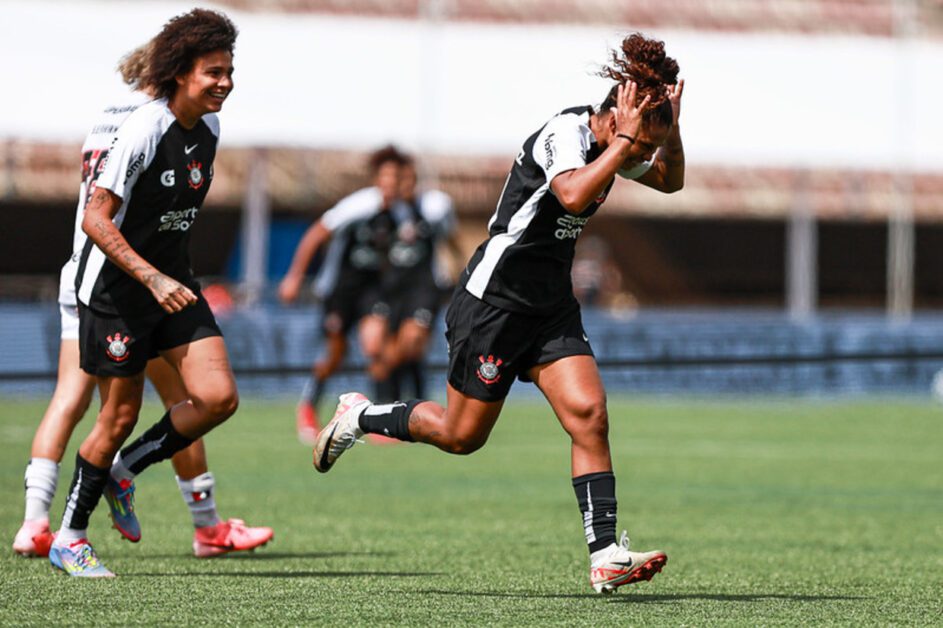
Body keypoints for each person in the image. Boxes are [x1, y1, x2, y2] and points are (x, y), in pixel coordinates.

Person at [312, 32, 685, 594]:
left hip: (550, 308)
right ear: (612, 117)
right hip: (492, 304)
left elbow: (671, 181)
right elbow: (574, 196)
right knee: (462, 437)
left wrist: (669, 134)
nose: (637, 154)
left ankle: (605, 553)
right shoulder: (567, 133)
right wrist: (627, 143)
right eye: (635, 140)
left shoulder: (619, 145)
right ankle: (360, 416)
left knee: (589, 414)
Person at [12, 41, 272, 562]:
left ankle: (89, 494)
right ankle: (70, 535)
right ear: (174, 73)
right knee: (117, 413)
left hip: (161, 280)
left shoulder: (199, 127)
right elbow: (98, 215)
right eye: (212, 72)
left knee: (211, 397)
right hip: (111, 282)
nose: (225, 83)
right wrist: (151, 277)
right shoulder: (142, 125)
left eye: (228, 71)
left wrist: (167, 274)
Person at [278, 146, 407, 443]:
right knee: (335, 356)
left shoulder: (401, 213)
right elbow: (315, 234)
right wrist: (295, 277)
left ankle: (380, 422)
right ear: (377, 178)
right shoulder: (358, 206)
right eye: (386, 176)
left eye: (396, 177)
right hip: (338, 291)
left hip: (371, 292)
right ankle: (308, 407)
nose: (391, 182)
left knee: (376, 348)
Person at [373, 157, 460, 401]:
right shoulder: (380, 212)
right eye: (400, 179)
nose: (404, 184)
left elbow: (452, 240)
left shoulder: (433, 208)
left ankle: (393, 397)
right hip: (392, 290)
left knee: (410, 342)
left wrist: (461, 269)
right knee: (404, 353)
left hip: (423, 289)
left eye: (409, 179)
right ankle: (397, 406)